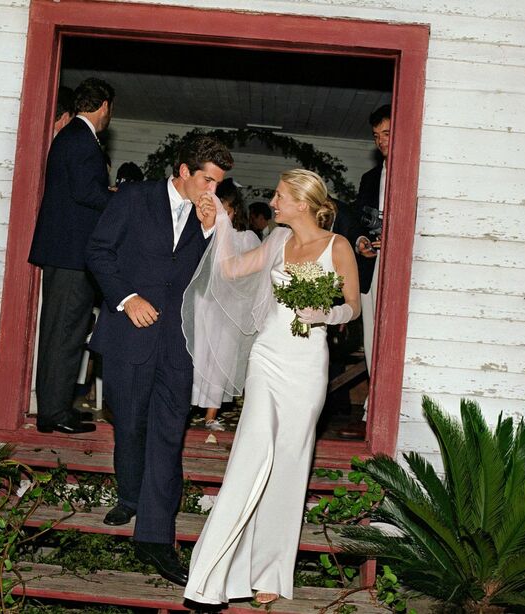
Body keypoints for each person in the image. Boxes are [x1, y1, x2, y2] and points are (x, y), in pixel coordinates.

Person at [182, 169, 361, 606]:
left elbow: (353, 307)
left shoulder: (337, 247)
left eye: (280, 197)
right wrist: (221, 224)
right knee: (251, 452)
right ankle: (212, 574)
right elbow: (229, 270)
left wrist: (327, 315)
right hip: (267, 355)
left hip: (307, 363)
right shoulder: (277, 241)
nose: (273, 203)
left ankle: (268, 574)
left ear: (302, 202)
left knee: (289, 463)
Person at [85, 136, 234, 586]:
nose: (213, 190)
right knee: (130, 426)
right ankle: (130, 496)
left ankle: (155, 537)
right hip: (129, 334)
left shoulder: (208, 216)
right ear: (184, 171)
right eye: (207, 179)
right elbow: (98, 252)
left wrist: (211, 232)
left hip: (178, 343)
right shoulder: (134, 197)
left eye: (220, 184)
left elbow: (212, 281)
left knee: (168, 436)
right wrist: (126, 298)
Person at [28, 77, 116, 435]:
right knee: (65, 334)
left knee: (62, 333)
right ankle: (53, 412)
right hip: (70, 256)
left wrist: (103, 190)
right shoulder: (82, 140)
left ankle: (56, 407)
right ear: (104, 106)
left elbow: (81, 190)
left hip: (66, 253)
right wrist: (120, 200)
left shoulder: (74, 137)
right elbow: (85, 193)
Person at [191, 178, 260, 432]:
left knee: (222, 357)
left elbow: (251, 275)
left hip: (230, 307)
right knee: (197, 353)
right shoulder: (204, 231)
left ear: (235, 212)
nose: (222, 216)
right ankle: (187, 405)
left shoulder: (247, 238)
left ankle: (211, 413)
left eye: (227, 212)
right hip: (203, 302)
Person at [338, 103, 390, 440]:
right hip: (372, 269)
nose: (382, 141)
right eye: (377, 136)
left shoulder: (418, 172)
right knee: (372, 340)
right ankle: (374, 405)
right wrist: (361, 242)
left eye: (387, 133)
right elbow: (359, 219)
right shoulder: (371, 178)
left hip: (400, 271)